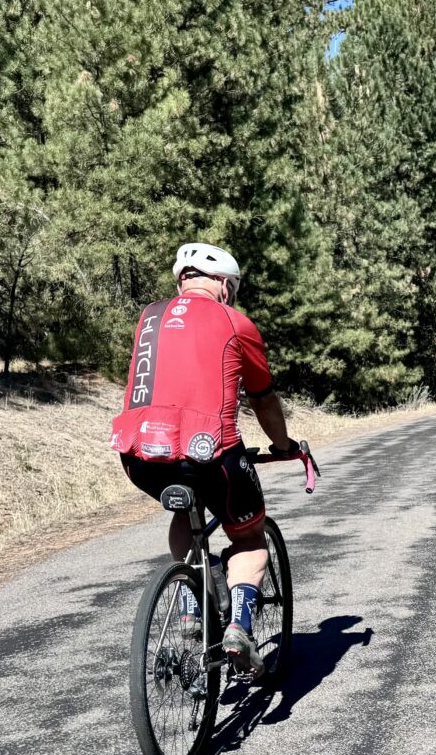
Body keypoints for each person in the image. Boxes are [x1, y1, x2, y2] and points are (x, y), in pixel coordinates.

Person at [110, 242, 297, 675]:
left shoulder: (149, 317)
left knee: (186, 509)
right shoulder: (236, 323)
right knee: (249, 538)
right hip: (210, 454)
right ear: (225, 286)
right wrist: (284, 446)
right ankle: (239, 629)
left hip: (140, 457)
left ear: (182, 282)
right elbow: (263, 398)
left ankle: (193, 604)